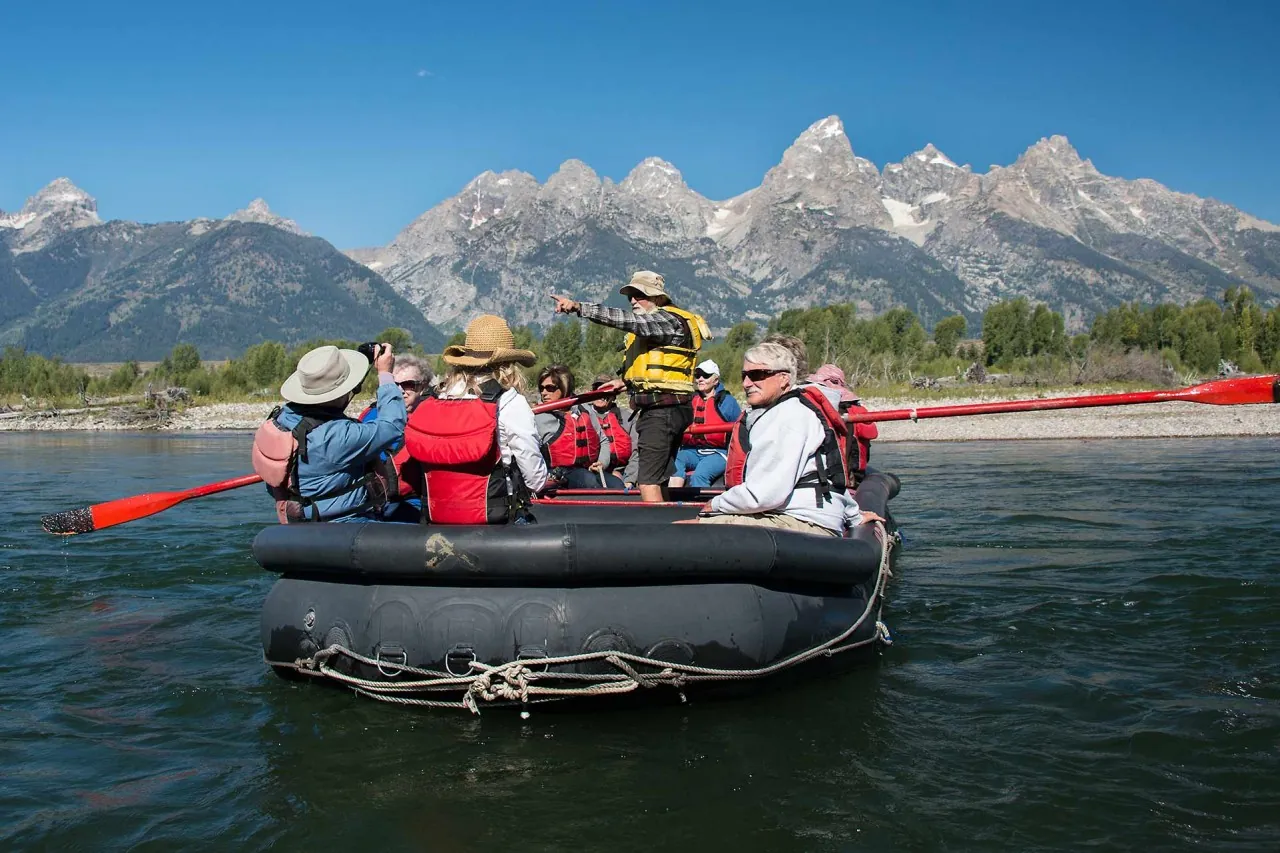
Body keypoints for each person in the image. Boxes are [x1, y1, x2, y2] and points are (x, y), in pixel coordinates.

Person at [550, 270, 710, 503]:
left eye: (640, 295)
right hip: (667, 409)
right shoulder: (665, 322)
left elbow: (629, 321)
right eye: (630, 296)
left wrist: (578, 307)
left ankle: (657, 535)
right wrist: (625, 382)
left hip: (662, 411)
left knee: (647, 481)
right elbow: (657, 371)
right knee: (659, 477)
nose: (633, 300)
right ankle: (668, 525)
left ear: (657, 297)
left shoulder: (665, 320)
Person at [696, 342, 882, 536]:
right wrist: (855, 516)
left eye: (757, 375)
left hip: (802, 523)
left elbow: (764, 494)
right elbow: (831, 478)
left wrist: (715, 504)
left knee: (694, 529)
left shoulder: (787, 417)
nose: (746, 383)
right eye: (744, 375)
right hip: (807, 516)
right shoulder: (799, 408)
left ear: (784, 378)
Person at [403, 315, 547, 524]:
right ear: (508, 364)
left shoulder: (434, 398)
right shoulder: (510, 402)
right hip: (496, 520)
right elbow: (535, 480)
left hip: (435, 519)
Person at [251, 343, 406, 522]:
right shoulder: (337, 435)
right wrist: (385, 375)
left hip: (300, 519)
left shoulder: (282, 417)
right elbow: (393, 425)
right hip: (347, 523)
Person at [358, 354, 434, 522]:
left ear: (422, 387)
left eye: (408, 385)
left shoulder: (432, 420)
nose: (400, 390)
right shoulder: (369, 415)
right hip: (370, 501)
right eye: (394, 384)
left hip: (411, 501)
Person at [534, 364, 620, 489]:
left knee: (617, 484)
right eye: (541, 388)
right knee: (587, 480)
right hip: (557, 474)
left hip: (589, 470)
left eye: (550, 388)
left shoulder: (584, 410)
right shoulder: (537, 416)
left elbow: (603, 440)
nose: (544, 393)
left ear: (564, 387)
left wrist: (601, 463)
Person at [670, 359, 741, 489]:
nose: (700, 379)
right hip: (691, 451)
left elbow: (740, 427)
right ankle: (673, 501)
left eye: (706, 376)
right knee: (675, 464)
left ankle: (702, 508)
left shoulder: (727, 402)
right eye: (697, 376)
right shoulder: (690, 400)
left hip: (718, 452)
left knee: (700, 475)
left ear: (716, 380)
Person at [807, 363, 878, 483]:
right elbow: (871, 433)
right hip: (850, 476)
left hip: (825, 475)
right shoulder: (857, 410)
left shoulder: (812, 408)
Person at [587, 373, 634, 485]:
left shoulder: (628, 418)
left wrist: (630, 479)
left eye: (606, 390)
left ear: (614, 396)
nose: (601, 393)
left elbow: (636, 453)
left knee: (617, 481)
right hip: (589, 470)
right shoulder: (582, 415)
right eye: (597, 389)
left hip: (620, 471)